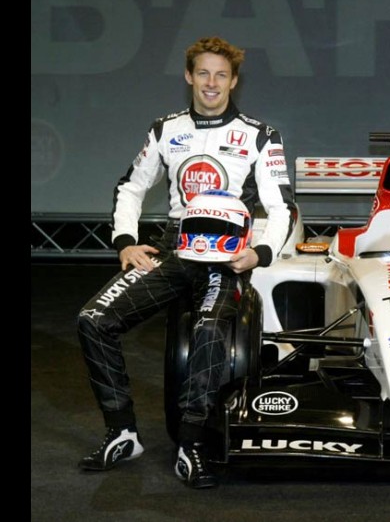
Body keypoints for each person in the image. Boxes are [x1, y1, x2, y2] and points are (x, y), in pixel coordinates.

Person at [76, 36, 294, 489]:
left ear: (233, 81)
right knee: (94, 319)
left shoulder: (260, 136)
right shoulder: (165, 129)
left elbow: (281, 209)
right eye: (203, 73)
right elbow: (131, 187)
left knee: (210, 331)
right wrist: (125, 242)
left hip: (228, 256)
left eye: (220, 75)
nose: (211, 83)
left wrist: (260, 253)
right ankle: (122, 433)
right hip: (176, 249)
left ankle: (191, 443)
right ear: (188, 76)